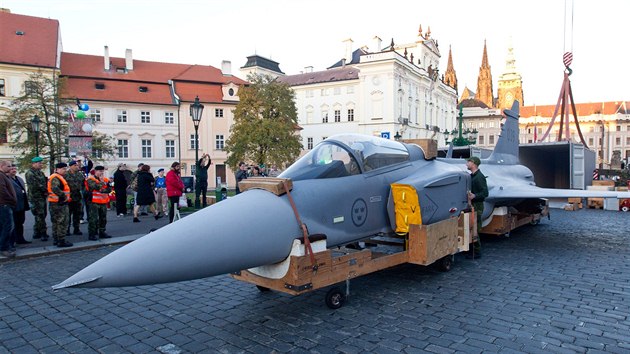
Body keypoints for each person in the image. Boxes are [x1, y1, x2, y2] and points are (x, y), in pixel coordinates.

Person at [466, 156, 488, 258]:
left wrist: (475, 196)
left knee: (475, 228)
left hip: (477, 206)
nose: (467, 163)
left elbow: (485, 193)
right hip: (473, 205)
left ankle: (477, 252)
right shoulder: (473, 176)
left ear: (474, 164)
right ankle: (472, 250)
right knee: (471, 227)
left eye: (468, 162)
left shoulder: (479, 177)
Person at [48, 162, 73, 248]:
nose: (64, 170)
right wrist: (64, 196)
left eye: (65, 169)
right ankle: (61, 240)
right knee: (62, 222)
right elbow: (55, 188)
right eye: (63, 169)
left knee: (56, 222)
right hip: (59, 203)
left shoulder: (56, 177)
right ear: (57, 169)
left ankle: (57, 239)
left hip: (55, 202)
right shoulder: (55, 177)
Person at [25, 156, 49, 241]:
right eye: (39, 163)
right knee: (40, 215)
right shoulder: (30, 173)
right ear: (33, 164)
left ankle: (36, 232)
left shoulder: (40, 173)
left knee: (42, 215)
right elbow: (35, 185)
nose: (41, 165)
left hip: (42, 197)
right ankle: (43, 233)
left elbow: (44, 182)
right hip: (35, 197)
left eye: (41, 163)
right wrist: (45, 190)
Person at [86, 166, 112, 240]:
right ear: (95, 171)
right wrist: (102, 184)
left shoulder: (105, 179)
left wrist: (102, 188)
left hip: (103, 202)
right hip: (94, 202)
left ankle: (102, 232)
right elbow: (95, 187)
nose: (101, 173)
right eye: (100, 171)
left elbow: (109, 189)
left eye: (102, 171)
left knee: (103, 218)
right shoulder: (90, 179)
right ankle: (92, 234)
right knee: (93, 219)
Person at [9, 163, 31, 245]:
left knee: (20, 222)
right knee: (13, 224)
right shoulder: (7, 179)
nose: (14, 170)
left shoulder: (19, 179)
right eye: (12, 169)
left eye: (15, 169)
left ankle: (20, 239)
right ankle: (13, 240)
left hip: (22, 205)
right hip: (13, 205)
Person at [0, 160, 17, 258]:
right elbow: (2, 190)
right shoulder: (1, 176)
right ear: (2, 166)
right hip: (4, 205)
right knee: (7, 227)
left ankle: (5, 246)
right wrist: (12, 199)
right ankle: (4, 248)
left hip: (5, 204)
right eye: (9, 166)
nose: (11, 168)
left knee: (4, 227)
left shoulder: (3, 175)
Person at [64, 160, 84, 236]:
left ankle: (76, 229)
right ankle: (67, 230)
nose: (77, 167)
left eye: (77, 165)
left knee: (77, 214)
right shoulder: (65, 175)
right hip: (69, 198)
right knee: (67, 215)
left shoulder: (79, 174)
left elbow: (82, 184)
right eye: (75, 165)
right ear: (71, 166)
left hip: (77, 197)